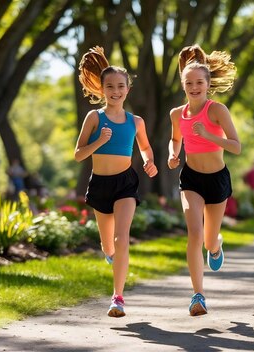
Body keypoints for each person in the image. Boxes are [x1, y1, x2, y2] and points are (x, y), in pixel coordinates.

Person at [75, 46, 158, 318]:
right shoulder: (94, 117)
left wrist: (148, 160)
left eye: (120, 86)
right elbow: (78, 155)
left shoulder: (136, 121)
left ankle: (117, 298)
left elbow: (145, 147)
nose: (115, 91)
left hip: (125, 184)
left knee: (122, 239)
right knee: (108, 245)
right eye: (110, 86)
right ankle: (110, 252)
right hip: (100, 184)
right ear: (102, 89)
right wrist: (99, 141)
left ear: (127, 90)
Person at [167, 44, 240, 316]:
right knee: (194, 234)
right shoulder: (177, 114)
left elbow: (236, 146)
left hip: (218, 180)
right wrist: (173, 155)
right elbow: (175, 140)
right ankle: (198, 295)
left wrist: (209, 135)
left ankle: (217, 244)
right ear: (183, 85)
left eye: (199, 82)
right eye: (189, 83)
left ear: (208, 85)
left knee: (208, 241)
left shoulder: (217, 110)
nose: (194, 87)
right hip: (191, 179)